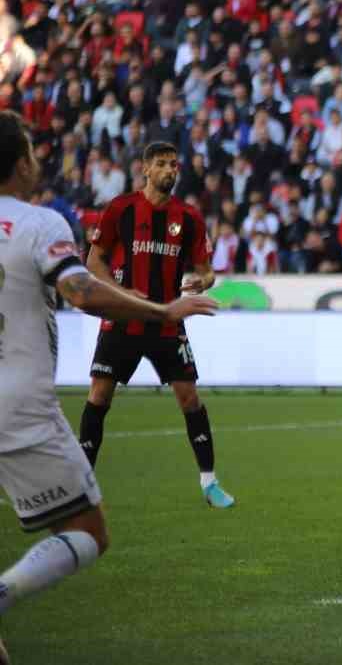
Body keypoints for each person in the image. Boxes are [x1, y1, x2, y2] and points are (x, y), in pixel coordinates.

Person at [0, 113, 217, 650]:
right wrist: (161, 310)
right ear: (23, 162)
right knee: (88, 533)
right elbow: (79, 289)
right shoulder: (40, 222)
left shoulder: (185, 218)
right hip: (17, 407)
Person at [76, 143, 233, 509]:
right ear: (146, 168)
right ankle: (82, 486)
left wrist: (205, 279)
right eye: (162, 164)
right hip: (122, 319)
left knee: (189, 398)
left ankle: (209, 483)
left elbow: (205, 267)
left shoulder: (189, 217)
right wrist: (118, 292)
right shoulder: (121, 209)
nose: (170, 170)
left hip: (167, 321)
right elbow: (94, 260)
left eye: (174, 164)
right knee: (99, 396)